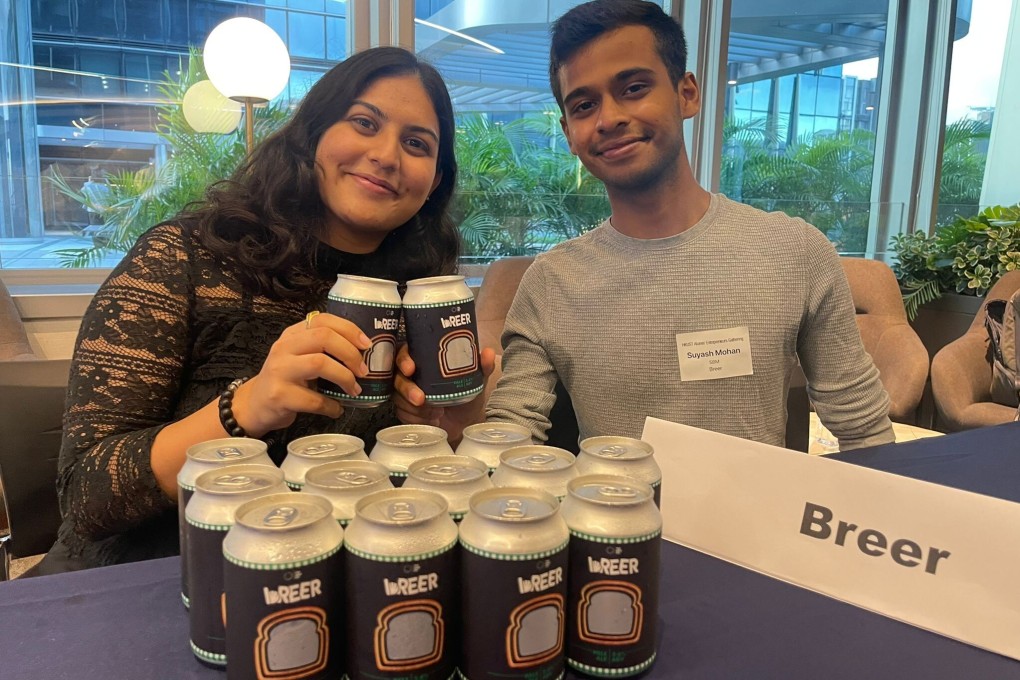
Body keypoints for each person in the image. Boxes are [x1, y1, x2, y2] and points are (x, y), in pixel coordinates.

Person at [39, 47, 493, 574]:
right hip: (147, 581)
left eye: (417, 143)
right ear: (314, 135)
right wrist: (242, 410)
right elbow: (85, 495)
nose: (388, 156)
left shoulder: (418, 297)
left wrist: (448, 428)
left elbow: (405, 508)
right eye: (364, 123)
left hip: (332, 586)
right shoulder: (182, 258)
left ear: (433, 180)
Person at [484, 0, 895, 451]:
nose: (609, 118)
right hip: (610, 518)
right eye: (584, 105)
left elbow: (864, 432)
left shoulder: (794, 252)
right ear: (568, 132)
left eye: (634, 87)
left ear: (687, 94)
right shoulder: (551, 283)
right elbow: (509, 436)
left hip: (757, 519)